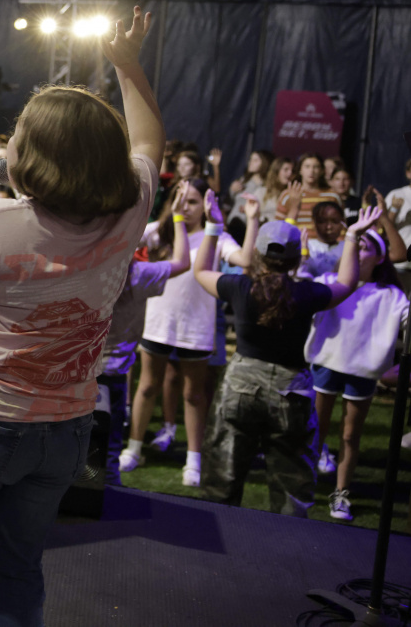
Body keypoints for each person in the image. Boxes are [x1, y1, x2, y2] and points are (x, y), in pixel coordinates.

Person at [0, 6, 164, 627]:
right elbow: (148, 142)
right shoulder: (128, 210)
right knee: (18, 567)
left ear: (36, 155)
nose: (6, 144)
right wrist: (128, 66)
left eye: (17, 135)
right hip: (66, 428)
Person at [193, 199, 381, 516]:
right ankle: (287, 547)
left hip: (241, 385)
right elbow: (347, 283)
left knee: (221, 482)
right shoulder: (306, 292)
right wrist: (352, 236)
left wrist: (213, 225)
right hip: (291, 388)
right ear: (296, 258)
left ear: (258, 254)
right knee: (290, 491)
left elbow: (200, 271)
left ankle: (215, 541)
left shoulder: (240, 286)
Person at [124, 178, 256, 486]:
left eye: (194, 201)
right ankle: (133, 448)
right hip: (158, 321)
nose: (187, 206)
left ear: (206, 206)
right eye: (182, 199)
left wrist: (252, 220)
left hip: (196, 325)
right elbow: (124, 240)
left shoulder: (216, 235)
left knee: (194, 394)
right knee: (147, 387)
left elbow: (246, 260)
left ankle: (193, 460)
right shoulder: (160, 231)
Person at [306, 227, 408, 518]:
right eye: (355, 245)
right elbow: (301, 293)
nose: (357, 251)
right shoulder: (329, 282)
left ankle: (341, 494)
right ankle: (307, 485)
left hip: (362, 372)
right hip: (326, 363)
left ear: (379, 258)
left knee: (350, 435)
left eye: (365, 247)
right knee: (316, 429)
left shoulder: (391, 295)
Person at [99, 184, 195, 486]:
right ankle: (107, 496)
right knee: (108, 450)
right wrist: (176, 218)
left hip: (76, 370)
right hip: (111, 376)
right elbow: (183, 262)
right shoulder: (138, 275)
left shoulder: (87, 267)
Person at [278, 153, 342, 231]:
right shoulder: (288, 194)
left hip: (324, 238)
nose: (311, 171)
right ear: (300, 170)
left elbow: (341, 225)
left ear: (322, 171)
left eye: (316, 167)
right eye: (307, 166)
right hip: (296, 238)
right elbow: (278, 225)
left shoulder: (332, 195)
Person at [258, 156, 294, 223]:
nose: (290, 173)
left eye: (292, 171)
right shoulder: (261, 192)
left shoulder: (292, 194)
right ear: (276, 171)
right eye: (286, 170)